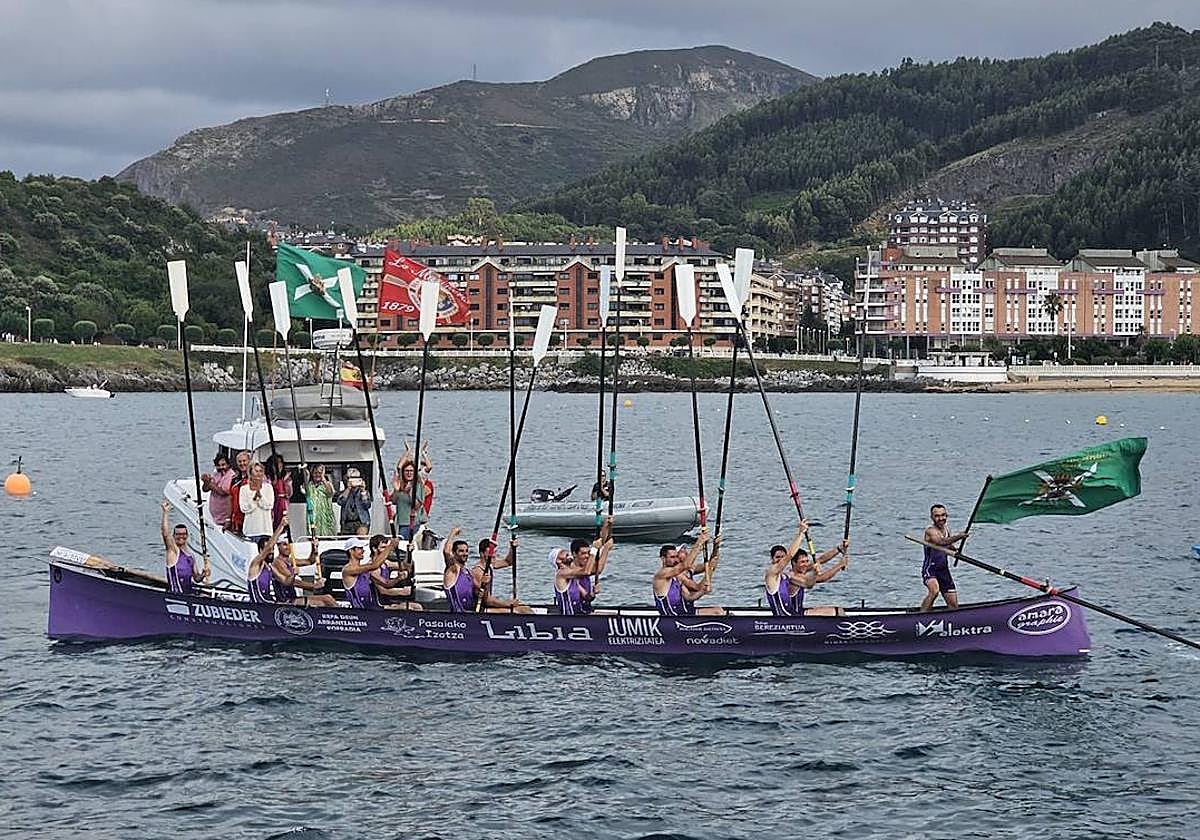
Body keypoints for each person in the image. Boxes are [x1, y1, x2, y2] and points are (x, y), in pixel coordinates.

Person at [763, 521, 849, 617]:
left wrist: (839, 549)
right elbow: (790, 555)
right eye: (777, 557)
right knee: (838, 612)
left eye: (782, 557)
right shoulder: (771, 573)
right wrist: (801, 533)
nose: (780, 560)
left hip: (794, 616)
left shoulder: (786, 575)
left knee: (838, 611)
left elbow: (819, 561)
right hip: (786, 620)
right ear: (772, 559)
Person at [267, 528, 339, 607]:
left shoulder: (290, 560)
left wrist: (313, 547)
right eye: (284, 544)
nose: (288, 547)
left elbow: (310, 561)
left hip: (293, 597)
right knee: (326, 600)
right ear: (278, 546)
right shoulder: (278, 562)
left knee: (328, 598)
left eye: (288, 544)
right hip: (286, 601)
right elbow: (294, 582)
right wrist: (314, 586)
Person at [554, 529, 614, 615]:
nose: (568, 557)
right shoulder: (561, 573)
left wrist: (593, 594)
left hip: (584, 614)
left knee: (614, 614)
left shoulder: (574, 577)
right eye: (583, 553)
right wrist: (595, 549)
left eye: (588, 553)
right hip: (571, 618)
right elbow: (587, 571)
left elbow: (587, 597)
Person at [921, 504, 966, 611]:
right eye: (937, 516)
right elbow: (941, 542)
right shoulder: (930, 531)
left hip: (943, 570)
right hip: (930, 569)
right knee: (934, 591)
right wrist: (959, 536)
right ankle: (920, 617)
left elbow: (948, 544)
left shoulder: (946, 529)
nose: (941, 518)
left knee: (953, 606)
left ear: (947, 515)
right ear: (932, 517)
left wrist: (955, 550)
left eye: (943, 515)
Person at [472, 536, 532, 613]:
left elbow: (508, 562)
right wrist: (508, 604)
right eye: (491, 553)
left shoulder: (490, 565)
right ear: (482, 554)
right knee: (519, 611)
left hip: (488, 604)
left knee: (525, 608)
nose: (494, 555)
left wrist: (512, 548)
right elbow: (488, 601)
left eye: (495, 552)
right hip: (481, 609)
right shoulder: (478, 572)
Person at [340, 535, 399, 609]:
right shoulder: (348, 569)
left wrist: (399, 578)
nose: (363, 551)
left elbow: (386, 584)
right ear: (351, 551)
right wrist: (390, 547)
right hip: (361, 612)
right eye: (359, 548)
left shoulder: (364, 568)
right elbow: (374, 565)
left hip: (372, 609)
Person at [161, 500, 207, 594]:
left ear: (187, 536)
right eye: (178, 534)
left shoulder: (191, 556)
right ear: (174, 536)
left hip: (189, 595)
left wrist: (203, 574)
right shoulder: (173, 552)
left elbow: (196, 578)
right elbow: (165, 534)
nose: (181, 536)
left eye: (183, 534)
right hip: (176, 595)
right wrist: (165, 513)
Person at [370, 534, 424, 610]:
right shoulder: (373, 568)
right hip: (379, 605)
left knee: (418, 607)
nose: (386, 550)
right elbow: (383, 590)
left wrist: (409, 553)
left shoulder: (386, 563)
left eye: (386, 547)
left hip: (388, 601)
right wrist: (403, 591)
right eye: (383, 548)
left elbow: (405, 566)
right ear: (374, 549)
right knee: (411, 608)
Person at [390, 457, 427, 540]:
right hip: (401, 522)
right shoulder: (401, 485)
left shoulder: (418, 485)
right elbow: (393, 501)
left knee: (403, 542)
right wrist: (396, 490)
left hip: (412, 523)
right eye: (407, 471)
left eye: (411, 471)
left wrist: (408, 492)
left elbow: (417, 505)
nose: (409, 473)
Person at [239, 461, 275, 541]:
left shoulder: (268, 487)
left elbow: (269, 505)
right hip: (250, 531)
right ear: (251, 473)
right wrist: (254, 499)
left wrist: (260, 496)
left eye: (260, 471)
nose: (259, 473)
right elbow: (244, 508)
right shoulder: (244, 489)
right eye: (256, 471)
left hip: (266, 530)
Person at [200, 453, 234, 528]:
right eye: (218, 465)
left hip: (225, 517)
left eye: (223, 464)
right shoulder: (216, 474)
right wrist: (206, 481)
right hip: (216, 517)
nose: (221, 467)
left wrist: (210, 483)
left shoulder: (231, 475)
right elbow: (205, 489)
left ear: (228, 464)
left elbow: (224, 492)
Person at [335, 467, 372, 534]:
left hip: (361, 522)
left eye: (356, 478)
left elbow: (367, 505)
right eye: (352, 478)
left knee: (361, 540)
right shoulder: (344, 492)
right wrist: (348, 488)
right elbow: (340, 502)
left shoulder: (363, 492)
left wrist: (363, 491)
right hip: (347, 523)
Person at [303, 464, 337, 535]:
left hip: (326, 518)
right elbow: (304, 490)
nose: (317, 475)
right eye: (315, 473)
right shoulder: (309, 485)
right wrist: (307, 476)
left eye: (319, 473)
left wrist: (323, 478)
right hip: (313, 518)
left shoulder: (327, 484)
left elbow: (330, 492)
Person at [264, 453, 293, 530]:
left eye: (280, 462)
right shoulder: (267, 478)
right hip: (273, 504)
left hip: (283, 504)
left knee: (283, 523)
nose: (279, 465)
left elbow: (289, 494)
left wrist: (284, 481)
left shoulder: (286, 477)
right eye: (276, 463)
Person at [228, 450, 252, 534]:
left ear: (249, 461)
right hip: (236, 517)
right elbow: (230, 499)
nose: (242, 463)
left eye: (244, 461)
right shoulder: (235, 479)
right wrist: (228, 518)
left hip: (248, 516)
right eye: (239, 461)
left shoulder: (254, 478)